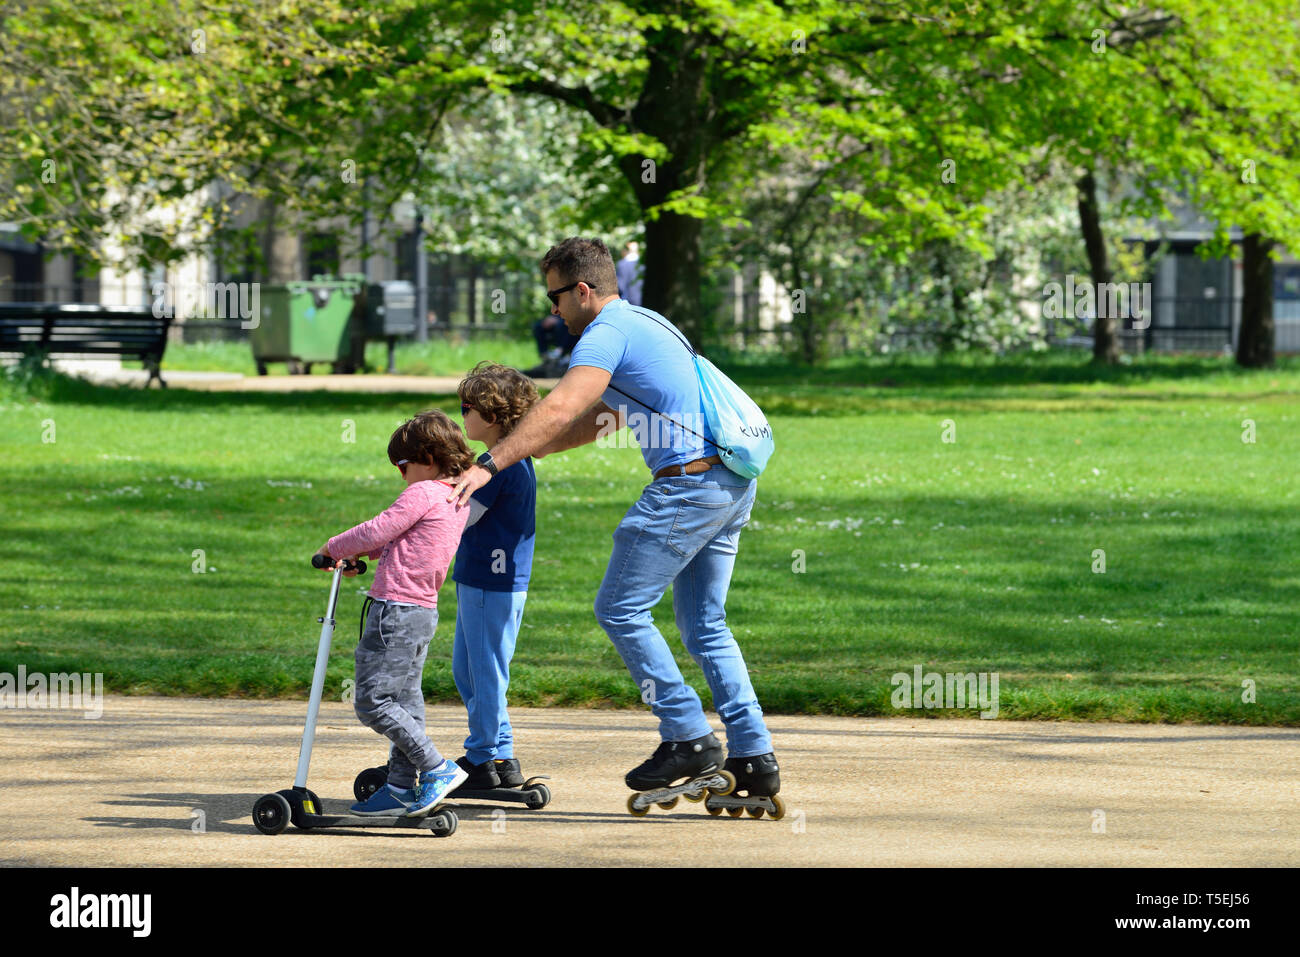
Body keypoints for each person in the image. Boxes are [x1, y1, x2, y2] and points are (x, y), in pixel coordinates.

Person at [448, 236, 779, 805]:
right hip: (729, 483)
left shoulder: (605, 334)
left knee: (619, 608)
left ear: (582, 290)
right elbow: (605, 417)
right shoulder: (648, 322)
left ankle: (688, 737)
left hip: (687, 488)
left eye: (555, 297)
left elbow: (561, 405)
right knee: (704, 624)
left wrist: (490, 461)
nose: (551, 310)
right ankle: (753, 753)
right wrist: (534, 448)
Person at [316, 410, 473, 817]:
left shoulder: (421, 493)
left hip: (394, 613)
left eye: (402, 466)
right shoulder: (455, 498)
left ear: (426, 457)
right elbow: (406, 541)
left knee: (372, 701)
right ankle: (402, 786)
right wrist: (358, 556)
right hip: (421, 612)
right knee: (406, 699)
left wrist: (333, 548)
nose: (401, 475)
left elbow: (379, 530)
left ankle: (436, 767)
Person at [451, 362, 541, 789]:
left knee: (484, 672)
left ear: (490, 414)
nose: (461, 414)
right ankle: (501, 757)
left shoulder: (495, 466)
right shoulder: (500, 459)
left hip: (492, 581)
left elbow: (461, 519)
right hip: (484, 579)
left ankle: (483, 758)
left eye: (466, 407)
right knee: (469, 670)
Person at [526, 313, 579, 378]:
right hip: (558, 317)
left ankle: (561, 352)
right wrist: (552, 317)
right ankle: (545, 355)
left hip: (569, 326)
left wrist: (558, 319)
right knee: (538, 326)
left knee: (562, 324)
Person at [615, 240, 644, 305]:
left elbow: (620, 286)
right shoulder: (643, 264)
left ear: (625, 251)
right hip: (643, 302)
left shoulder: (622, 264)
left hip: (626, 302)